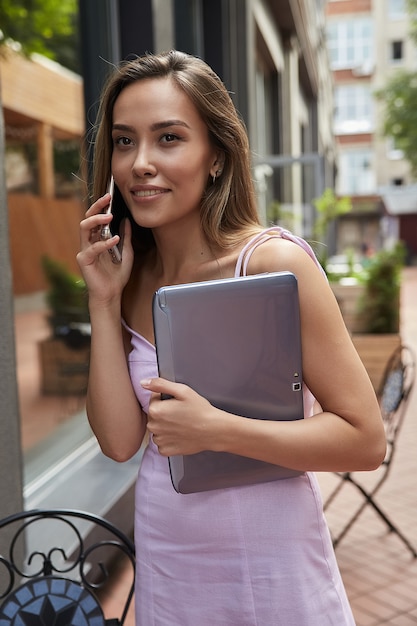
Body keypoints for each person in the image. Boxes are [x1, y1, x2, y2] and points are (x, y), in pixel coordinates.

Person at [77, 50, 386, 625]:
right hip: (170, 550)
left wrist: (216, 430)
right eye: (124, 141)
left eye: (168, 138)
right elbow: (121, 443)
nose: (140, 162)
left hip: (269, 553)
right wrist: (102, 300)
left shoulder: (270, 264)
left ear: (216, 156)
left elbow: (364, 440)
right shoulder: (127, 275)